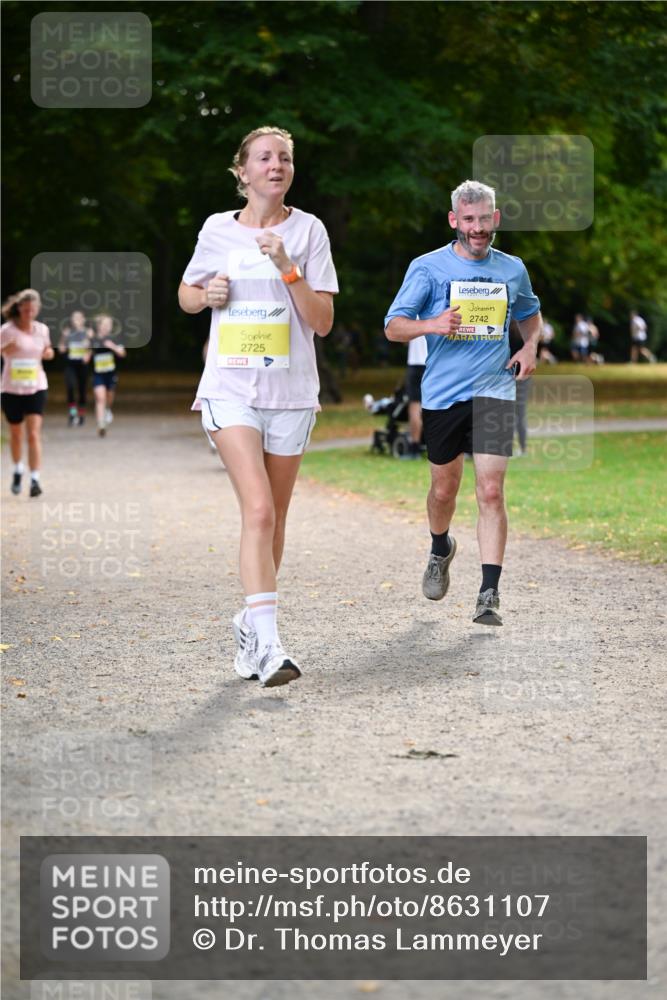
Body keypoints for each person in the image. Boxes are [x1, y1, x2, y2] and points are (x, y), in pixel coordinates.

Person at [178, 125, 338, 687]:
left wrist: (288, 267)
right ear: (242, 171)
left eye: (286, 158)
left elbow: (321, 322)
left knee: (276, 520)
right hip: (230, 390)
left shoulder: (309, 230)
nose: (277, 165)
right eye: (265, 158)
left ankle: (250, 623)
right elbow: (187, 294)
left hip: (291, 394)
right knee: (260, 510)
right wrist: (206, 296)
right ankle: (270, 648)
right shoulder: (218, 229)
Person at [385, 179, 541, 626]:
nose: (477, 228)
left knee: (491, 491)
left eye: (484, 219)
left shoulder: (512, 269)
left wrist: (529, 348)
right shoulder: (427, 267)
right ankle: (440, 547)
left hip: (494, 390)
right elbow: (393, 327)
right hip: (442, 394)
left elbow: (531, 316)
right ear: (454, 220)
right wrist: (431, 324)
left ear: (497, 219)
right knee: (443, 490)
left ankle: (489, 593)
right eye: (468, 220)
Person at [1, 289, 54, 497]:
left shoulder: (42, 330)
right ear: (19, 309)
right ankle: (17, 470)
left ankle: (34, 479)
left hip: (36, 386)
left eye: (32, 309)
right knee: (16, 434)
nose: (28, 313)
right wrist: (6, 347)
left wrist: (49, 353)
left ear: (37, 310)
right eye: (25, 309)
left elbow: (47, 350)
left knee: (33, 434)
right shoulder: (7, 330)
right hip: (11, 388)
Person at [91, 314, 126, 436]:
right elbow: (86, 354)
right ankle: (101, 424)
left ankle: (107, 409)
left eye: (109, 325)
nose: (107, 327)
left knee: (109, 396)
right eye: (104, 325)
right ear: (99, 326)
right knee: (100, 398)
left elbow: (122, 353)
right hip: (98, 374)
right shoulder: (93, 340)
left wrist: (112, 347)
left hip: (110, 374)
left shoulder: (114, 339)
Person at [58, 309, 92, 425]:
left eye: (79, 318)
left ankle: (81, 414)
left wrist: (88, 353)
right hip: (70, 364)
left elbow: (92, 347)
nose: (76, 320)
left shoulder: (88, 332)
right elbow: (61, 349)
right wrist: (64, 338)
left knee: (82, 391)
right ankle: (72, 413)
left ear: (83, 320)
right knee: (70, 387)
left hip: (82, 365)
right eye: (74, 318)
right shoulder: (68, 332)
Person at [402, 335, 427, 459]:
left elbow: (404, 338)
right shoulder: (440, 314)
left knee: (415, 407)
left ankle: (415, 448)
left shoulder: (412, 315)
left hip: (416, 363)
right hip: (434, 363)